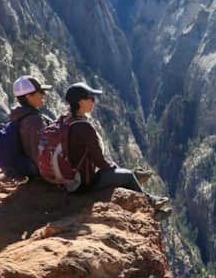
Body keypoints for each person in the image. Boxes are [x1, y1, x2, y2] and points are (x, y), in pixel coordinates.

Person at [62, 82, 172, 219]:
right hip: (84, 183)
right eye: (91, 98)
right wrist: (113, 167)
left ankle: (150, 200)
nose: (94, 101)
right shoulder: (84, 128)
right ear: (80, 102)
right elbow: (99, 160)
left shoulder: (66, 120)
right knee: (126, 175)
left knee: (122, 174)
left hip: (71, 178)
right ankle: (151, 208)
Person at [8, 76, 50, 178]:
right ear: (29, 96)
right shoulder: (34, 120)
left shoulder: (19, 115)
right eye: (40, 92)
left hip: (26, 166)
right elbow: (39, 152)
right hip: (37, 171)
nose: (43, 94)